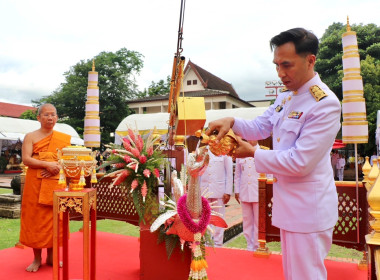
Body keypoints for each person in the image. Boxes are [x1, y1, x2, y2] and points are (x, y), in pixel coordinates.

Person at [206, 28, 341, 280]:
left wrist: (252, 153)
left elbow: (300, 162)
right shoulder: (285, 98)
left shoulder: (324, 104)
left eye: (287, 65)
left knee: (307, 276)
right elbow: (259, 126)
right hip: (290, 207)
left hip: (309, 210)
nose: (280, 73)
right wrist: (232, 120)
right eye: (277, 65)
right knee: (293, 275)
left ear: (310, 60)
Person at [19, 104, 71, 272]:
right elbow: (26, 159)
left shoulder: (63, 138)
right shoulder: (31, 137)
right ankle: (36, 258)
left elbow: (68, 161)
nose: (50, 117)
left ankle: (51, 256)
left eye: (53, 115)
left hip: (56, 183)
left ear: (57, 118)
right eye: (46, 114)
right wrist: (46, 164)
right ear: (39, 118)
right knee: (36, 221)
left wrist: (56, 167)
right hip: (35, 184)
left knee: (55, 220)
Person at [199, 148, 233, 247]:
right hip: (205, 190)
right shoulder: (203, 150)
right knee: (205, 217)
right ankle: (207, 242)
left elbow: (229, 172)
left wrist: (228, 191)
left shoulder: (224, 150)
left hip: (219, 191)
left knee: (218, 217)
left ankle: (218, 243)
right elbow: (198, 171)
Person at [234, 140, 260, 252]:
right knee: (247, 220)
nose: (250, 139)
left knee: (259, 221)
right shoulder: (241, 154)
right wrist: (237, 190)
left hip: (259, 191)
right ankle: (249, 245)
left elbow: (269, 174)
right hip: (245, 191)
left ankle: (258, 245)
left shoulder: (263, 152)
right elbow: (238, 174)